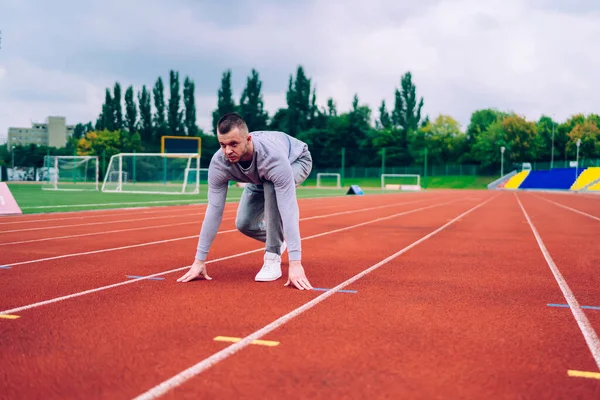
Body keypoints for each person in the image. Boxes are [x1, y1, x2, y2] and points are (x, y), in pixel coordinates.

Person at [177, 112, 314, 290]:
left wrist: (295, 263)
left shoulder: (272, 158)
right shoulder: (220, 163)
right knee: (244, 223)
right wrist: (199, 261)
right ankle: (278, 242)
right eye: (223, 144)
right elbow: (214, 211)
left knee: (271, 187)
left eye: (233, 144)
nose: (227, 151)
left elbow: (288, 209)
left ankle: (272, 257)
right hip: (259, 175)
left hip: (296, 160)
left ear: (248, 140)